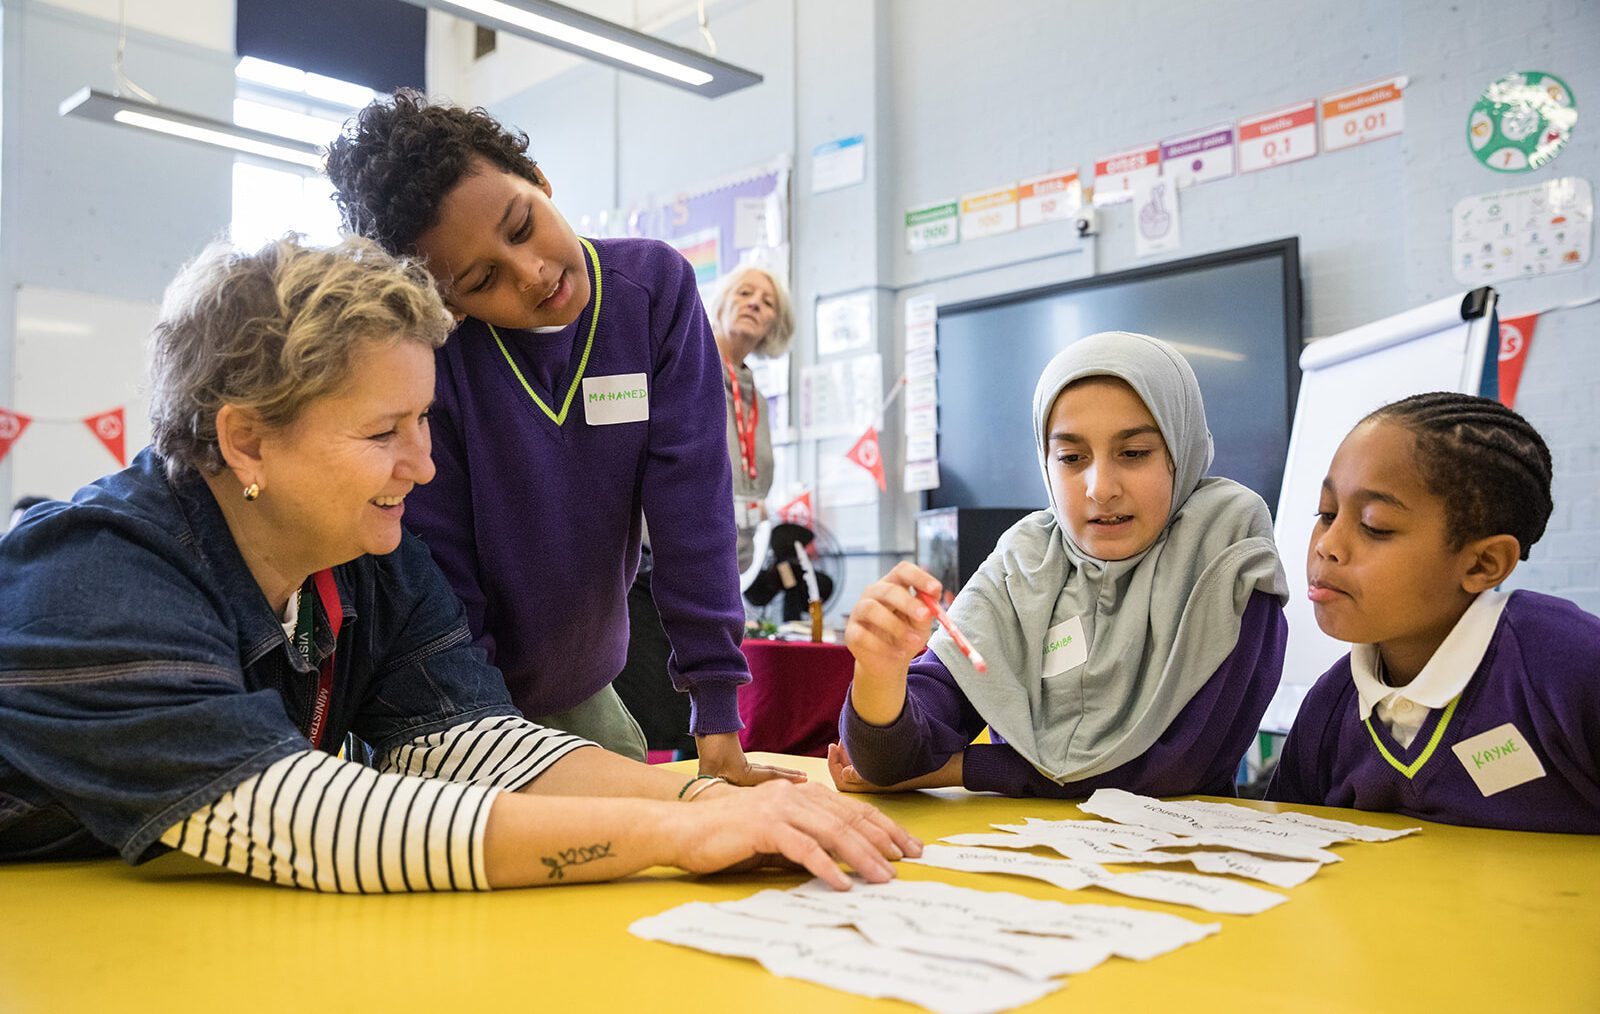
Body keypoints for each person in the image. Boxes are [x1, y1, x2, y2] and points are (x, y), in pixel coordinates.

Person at [0, 236, 918, 891]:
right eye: (381, 432)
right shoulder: (95, 580)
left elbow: (469, 743)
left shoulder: (363, 559)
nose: (426, 465)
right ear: (246, 443)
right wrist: (678, 828)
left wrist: (700, 790)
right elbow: (306, 819)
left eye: (424, 423)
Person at [324, 92, 799, 783]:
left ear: (540, 180)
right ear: (448, 304)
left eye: (523, 226)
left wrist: (718, 724)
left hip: (583, 692)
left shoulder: (654, 294)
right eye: (484, 279)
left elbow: (692, 510)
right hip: (451, 705)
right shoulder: (438, 359)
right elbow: (444, 579)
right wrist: (493, 748)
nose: (533, 273)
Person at [831, 331, 1288, 797]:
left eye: (1133, 454)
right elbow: (892, 762)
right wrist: (880, 675)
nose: (1100, 487)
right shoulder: (1025, 559)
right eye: (1071, 458)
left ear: (1181, 448)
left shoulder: (1225, 541)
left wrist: (962, 768)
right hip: (1022, 851)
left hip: (1181, 854)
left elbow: (1177, 766)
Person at [1267, 393, 1600, 832]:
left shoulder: (1567, 666)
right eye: (1326, 514)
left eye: (1374, 525)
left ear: (1483, 564)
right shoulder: (1329, 710)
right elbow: (1286, 847)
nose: (1327, 545)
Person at [614, 265, 796, 756]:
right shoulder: (684, 359)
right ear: (720, 301)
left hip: (724, 566)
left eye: (768, 300)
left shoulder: (751, 388)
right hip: (658, 562)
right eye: (745, 292)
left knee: (705, 714)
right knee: (658, 705)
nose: (756, 303)